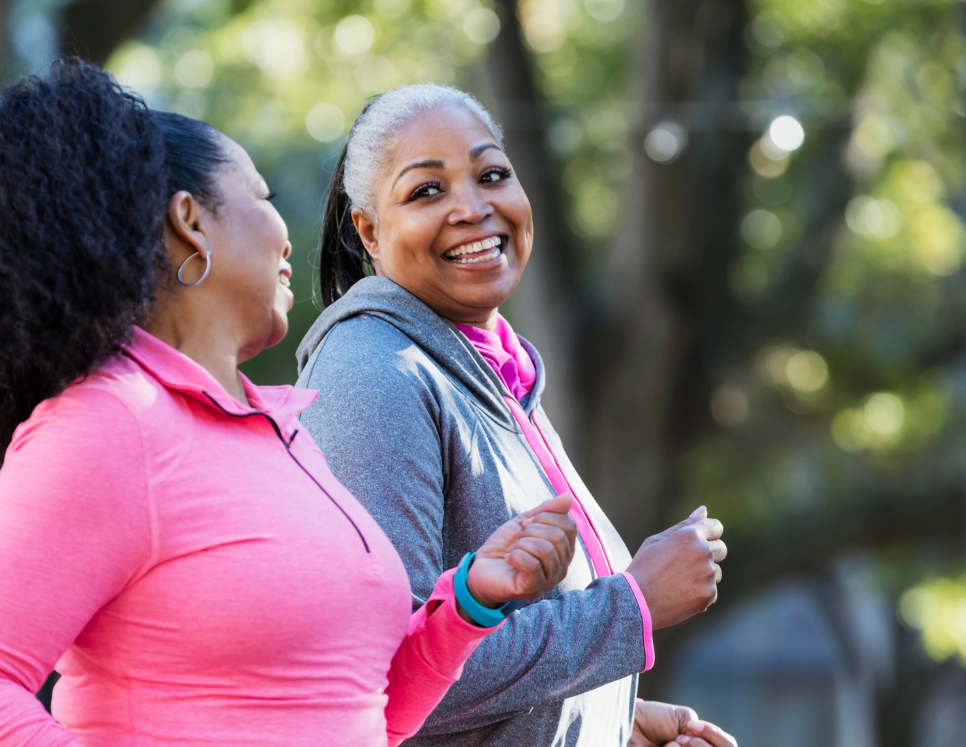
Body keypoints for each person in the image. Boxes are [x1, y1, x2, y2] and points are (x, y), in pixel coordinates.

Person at [0, 62, 582, 747]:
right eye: (260, 196)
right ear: (190, 222)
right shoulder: (112, 422)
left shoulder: (282, 436)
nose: (288, 235)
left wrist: (469, 603)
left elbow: (361, 709)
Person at [296, 84, 737, 747]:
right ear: (368, 230)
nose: (473, 208)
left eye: (492, 174)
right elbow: (384, 677)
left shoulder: (494, 375)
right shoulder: (374, 373)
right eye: (426, 191)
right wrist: (633, 603)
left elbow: (504, 670)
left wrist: (611, 722)